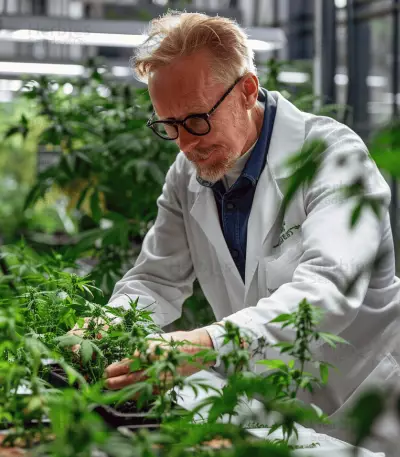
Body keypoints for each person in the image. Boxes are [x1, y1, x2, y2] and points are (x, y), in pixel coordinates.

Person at [104, 10, 400, 429]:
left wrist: (204, 344)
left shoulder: (333, 158)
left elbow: (328, 292)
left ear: (246, 90)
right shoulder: (187, 172)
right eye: (169, 125)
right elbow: (156, 279)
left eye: (196, 120)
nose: (186, 143)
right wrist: (108, 326)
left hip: (361, 405)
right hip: (268, 404)